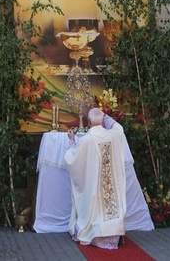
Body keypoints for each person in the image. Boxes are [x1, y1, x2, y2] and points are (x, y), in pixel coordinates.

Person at [65, 107, 126, 250]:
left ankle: (95, 234)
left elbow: (72, 160)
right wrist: (105, 116)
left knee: (93, 202)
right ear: (102, 120)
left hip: (95, 185)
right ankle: (112, 234)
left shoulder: (87, 139)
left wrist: (72, 141)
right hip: (109, 186)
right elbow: (119, 128)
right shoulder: (112, 135)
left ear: (88, 122)